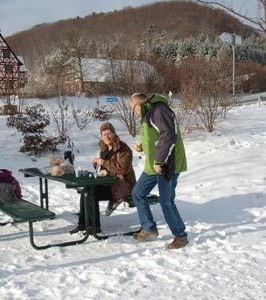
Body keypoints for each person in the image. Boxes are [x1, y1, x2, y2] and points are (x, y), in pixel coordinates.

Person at [130, 93, 188, 249]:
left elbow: (169, 135)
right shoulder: (149, 113)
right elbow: (156, 136)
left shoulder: (159, 110)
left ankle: (180, 236)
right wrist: (144, 145)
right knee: (138, 193)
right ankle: (149, 228)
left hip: (167, 164)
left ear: (138, 104)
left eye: (132, 107)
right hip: (153, 165)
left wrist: (159, 161)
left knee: (166, 202)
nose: (133, 111)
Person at [70, 122, 136, 234]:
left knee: (92, 193)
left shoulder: (123, 149)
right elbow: (104, 169)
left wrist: (104, 162)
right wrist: (97, 164)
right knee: (86, 190)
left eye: (109, 133)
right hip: (110, 184)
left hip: (123, 187)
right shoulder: (105, 149)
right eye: (104, 134)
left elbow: (123, 169)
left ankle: (95, 227)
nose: (106, 136)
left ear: (114, 134)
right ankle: (82, 224)